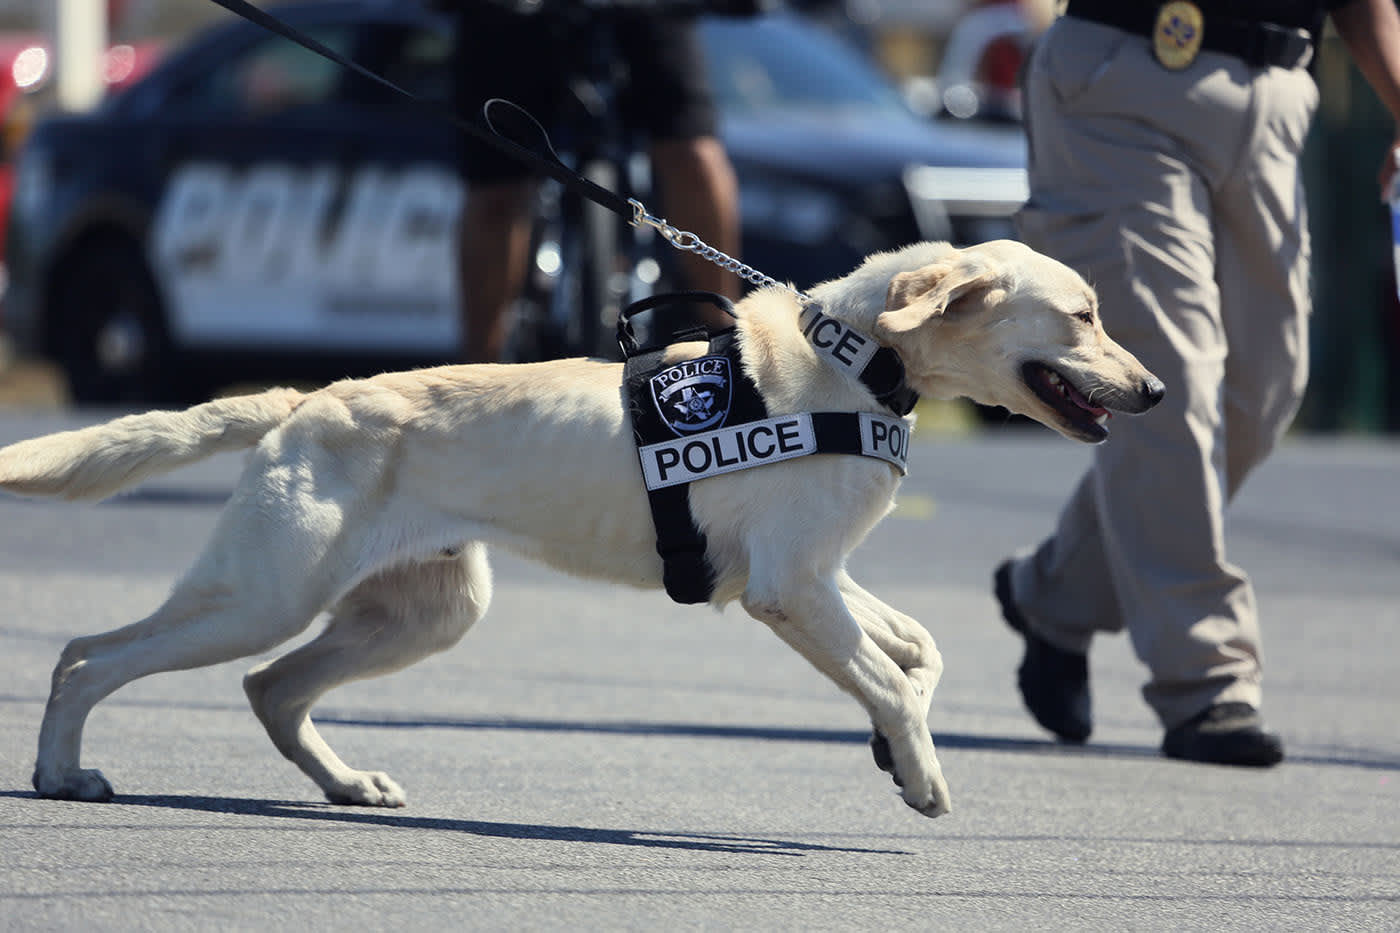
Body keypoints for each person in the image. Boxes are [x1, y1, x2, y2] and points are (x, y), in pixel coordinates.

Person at [998, 0, 1400, 766]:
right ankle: (1208, 684)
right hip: (1127, 74)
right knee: (1167, 379)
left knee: (1267, 388)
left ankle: (1055, 594)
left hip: (1279, 94)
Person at [447, 1, 744, 363]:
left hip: (648, 10)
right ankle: (479, 377)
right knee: (496, 190)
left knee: (694, 155)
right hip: (511, 16)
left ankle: (727, 348)